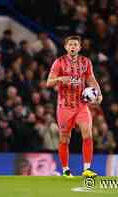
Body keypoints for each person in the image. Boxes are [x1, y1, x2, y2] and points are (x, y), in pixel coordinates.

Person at [46, 35, 102, 178]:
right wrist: (60, 79)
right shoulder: (58, 62)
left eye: (75, 44)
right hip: (64, 106)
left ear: (79, 47)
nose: (72, 47)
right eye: (70, 44)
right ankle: (65, 169)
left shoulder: (86, 62)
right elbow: (49, 83)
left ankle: (87, 169)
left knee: (88, 133)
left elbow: (91, 79)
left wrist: (99, 94)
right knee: (65, 138)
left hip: (81, 105)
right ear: (66, 47)